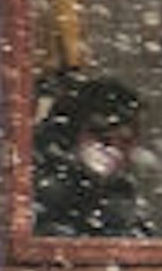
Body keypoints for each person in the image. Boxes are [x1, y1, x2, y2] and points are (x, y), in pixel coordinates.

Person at [27, 75, 147, 239]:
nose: (114, 151)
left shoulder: (123, 199)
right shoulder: (42, 192)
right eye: (102, 138)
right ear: (72, 135)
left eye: (125, 142)